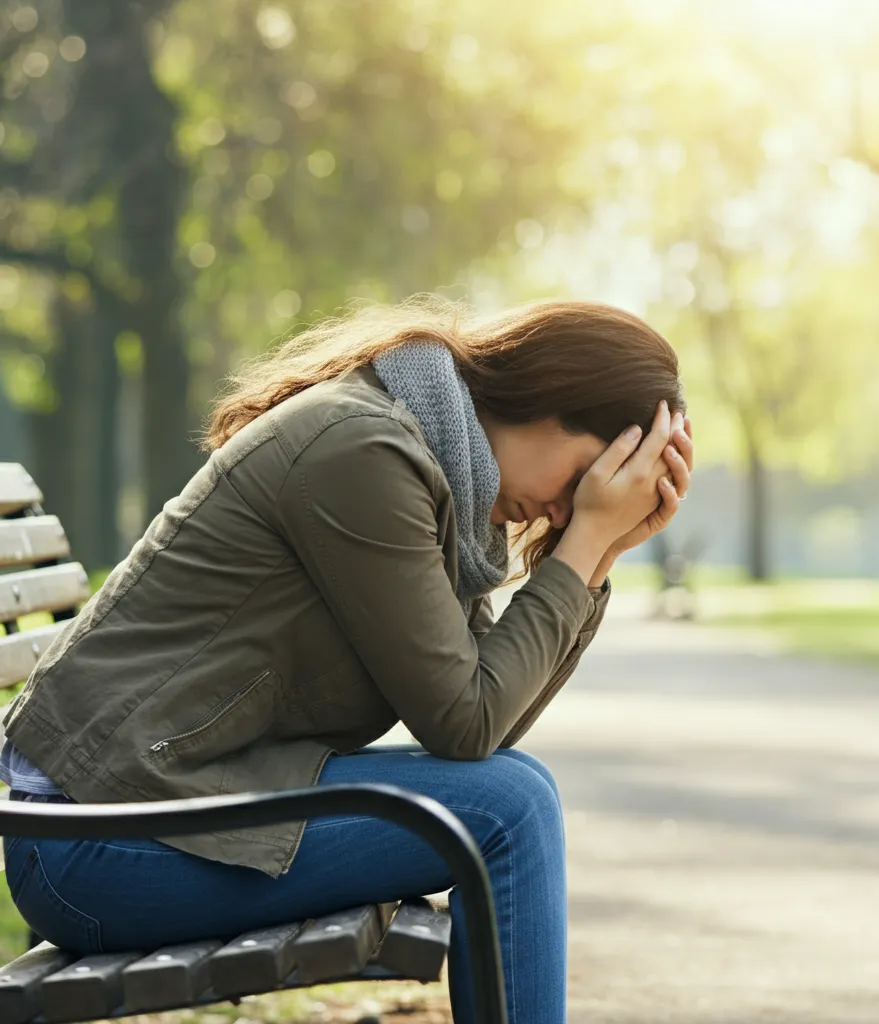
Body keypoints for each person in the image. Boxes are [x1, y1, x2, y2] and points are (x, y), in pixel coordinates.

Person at [0, 298, 693, 1023]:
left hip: (160, 807)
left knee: (513, 790)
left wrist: (602, 548)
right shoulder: (366, 452)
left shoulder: (434, 469)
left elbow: (487, 724)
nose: (565, 511)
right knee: (511, 805)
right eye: (584, 480)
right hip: (95, 844)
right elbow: (467, 723)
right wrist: (583, 547)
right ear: (551, 403)